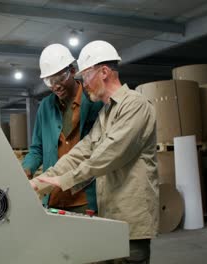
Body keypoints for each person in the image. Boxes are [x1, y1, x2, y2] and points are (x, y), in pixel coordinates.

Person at [30, 40, 158, 264]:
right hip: (108, 218)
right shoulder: (106, 113)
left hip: (131, 221)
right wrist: (41, 181)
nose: (83, 83)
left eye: (86, 75)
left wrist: (63, 180)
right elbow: (83, 150)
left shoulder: (136, 106)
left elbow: (108, 156)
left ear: (104, 72)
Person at [22, 43, 103, 214]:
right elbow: (37, 148)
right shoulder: (45, 107)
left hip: (84, 196)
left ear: (72, 71)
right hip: (53, 196)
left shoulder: (94, 102)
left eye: (59, 78)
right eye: (49, 81)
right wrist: (26, 168)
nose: (55, 86)